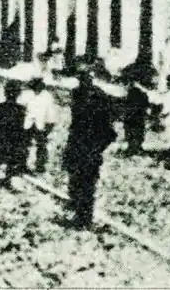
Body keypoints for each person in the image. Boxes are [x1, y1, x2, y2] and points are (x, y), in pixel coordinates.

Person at [63, 69, 117, 229]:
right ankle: (76, 206)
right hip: (79, 144)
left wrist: (97, 148)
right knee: (76, 177)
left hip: (89, 147)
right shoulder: (79, 94)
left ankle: (83, 219)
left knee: (85, 182)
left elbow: (108, 131)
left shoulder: (97, 99)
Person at [0, 80, 26, 188]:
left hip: (2, 138)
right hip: (10, 139)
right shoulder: (21, 110)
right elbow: (22, 127)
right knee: (8, 158)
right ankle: (2, 179)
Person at [20, 78, 57, 174]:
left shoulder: (47, 97)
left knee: (42, 145)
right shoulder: (26, 94)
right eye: (35, 86)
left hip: (41, 124)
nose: (37, 89)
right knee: (24, 144)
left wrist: (49, 125)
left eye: (39, 86)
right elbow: (21, 107)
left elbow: (51, 112)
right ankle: (21, 165)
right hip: (27, 123)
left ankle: (40, 166)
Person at [120, 63, 154, 157]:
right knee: (134, 130)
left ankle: (134, 148)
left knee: (135, 130)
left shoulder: (136, 90)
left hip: (135, 112)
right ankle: (134, 148)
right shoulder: (136, 90)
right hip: (134, 112)